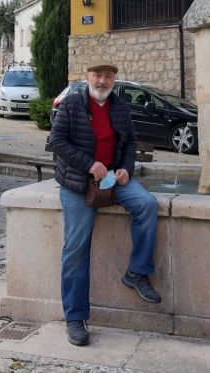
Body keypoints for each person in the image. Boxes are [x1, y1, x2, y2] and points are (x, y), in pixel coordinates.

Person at [49, 62, 161, 347]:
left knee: (147, 204)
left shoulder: (120, 107)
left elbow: (129, 144)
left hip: (113, 180)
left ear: (114, 79)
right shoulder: (72, 105)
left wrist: (126, 168)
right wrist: (90, 165)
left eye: (108, 76)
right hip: (77, 182)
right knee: (76, 247)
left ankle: (136, 272)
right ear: (87, 78)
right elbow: (56, 142)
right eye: (97, 75)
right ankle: (75, 318)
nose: (102, 80)